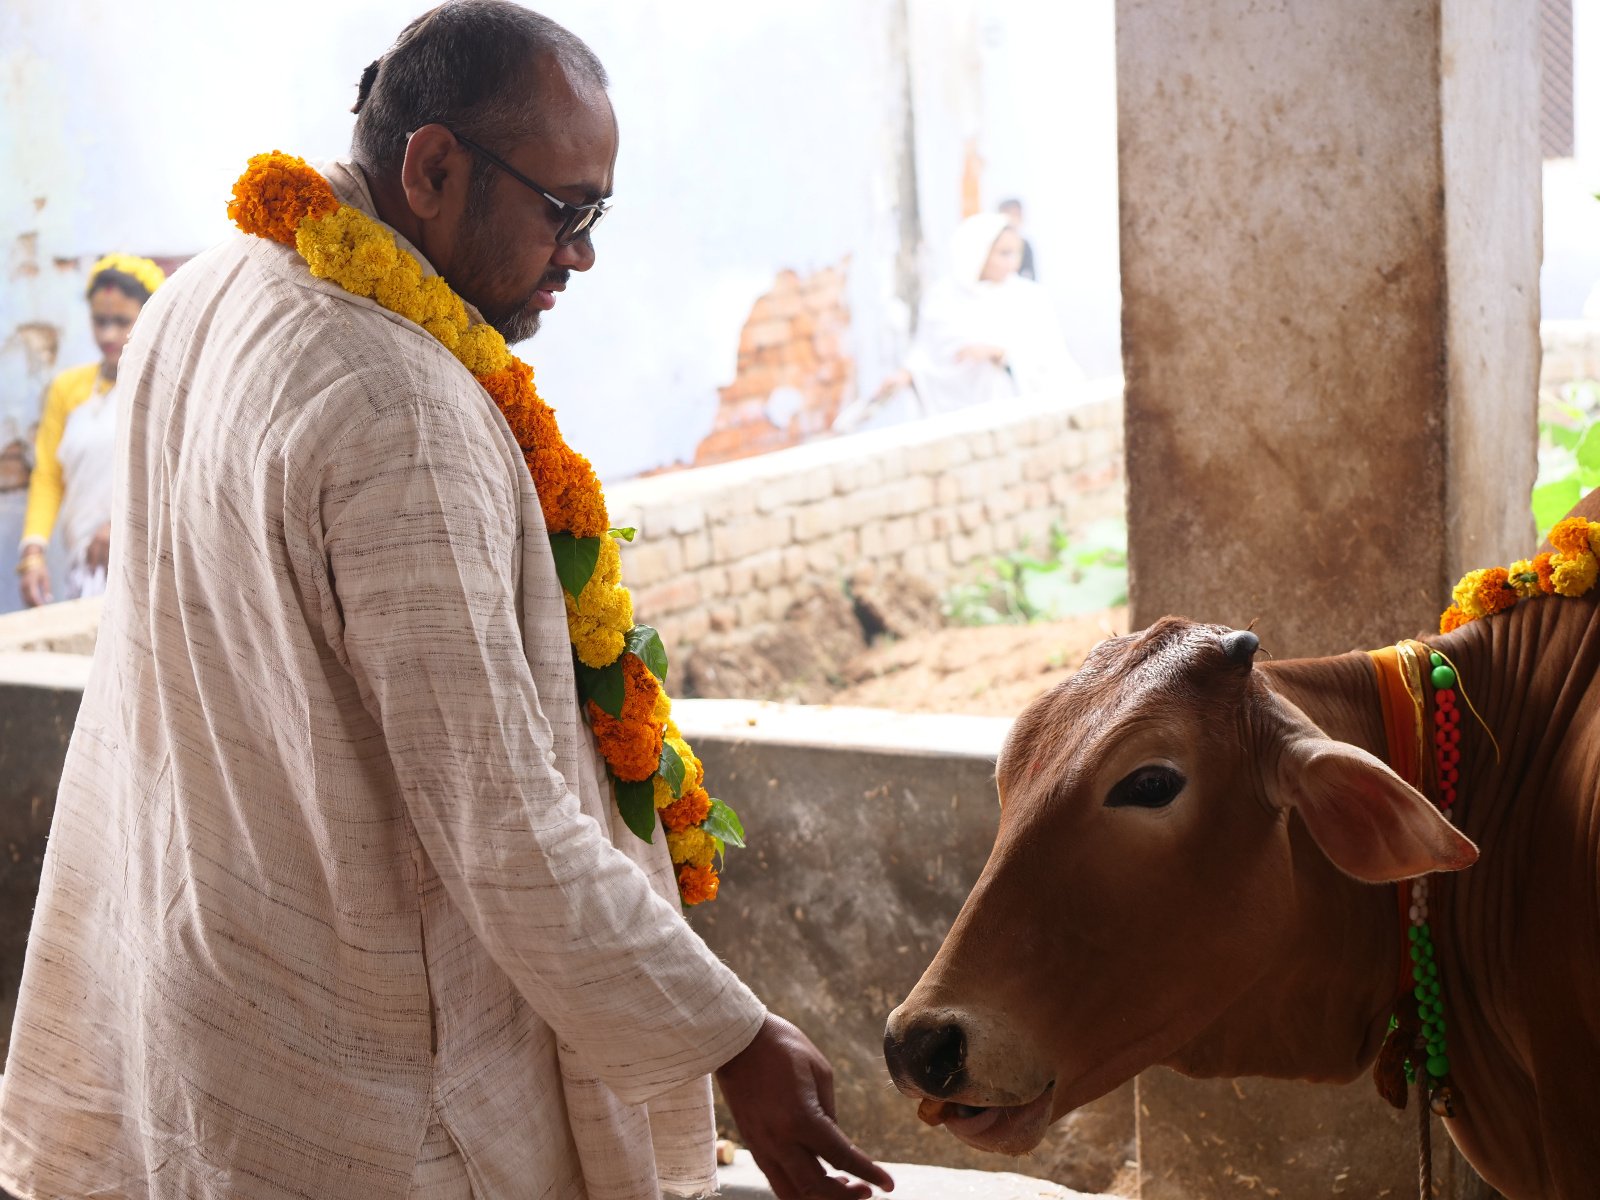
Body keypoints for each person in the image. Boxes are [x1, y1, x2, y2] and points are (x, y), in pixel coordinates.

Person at [0, 6, 893, 1200]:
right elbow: (502, 820)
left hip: (208, 1003)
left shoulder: (205, 291)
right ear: (430, 168)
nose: (581, 255)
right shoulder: (399, 410)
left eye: (597, 217)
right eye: (564, 211)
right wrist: (731, 1041)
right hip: (367, 1093)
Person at [15, 253, 163, 606]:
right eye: (100, 321)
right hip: (88, 568)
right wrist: (33, 550)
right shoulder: (68, 389)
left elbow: (172, 474)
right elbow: (49, 476)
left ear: (150, 318)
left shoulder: (162, 386)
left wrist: (121, 525)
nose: (108, 333)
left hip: (149, 561)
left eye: (122, 320)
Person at [840, 213, 1081, 429]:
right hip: (964, 423)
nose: (1012, 263)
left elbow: (1051, 360)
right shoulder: (943, 298)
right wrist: (906, 375)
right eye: (1003, 253)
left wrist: (1000, 354)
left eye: (1016, 253)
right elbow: (929, 355)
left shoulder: (1029, 298)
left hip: (1020, 420)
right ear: (977, 252)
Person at [997, 198, 1036, 280]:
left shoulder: (1025, 245)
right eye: (1010, 214)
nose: (1014, 219)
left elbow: (1030, 276)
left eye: (1017, 214)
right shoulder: (992, 243)